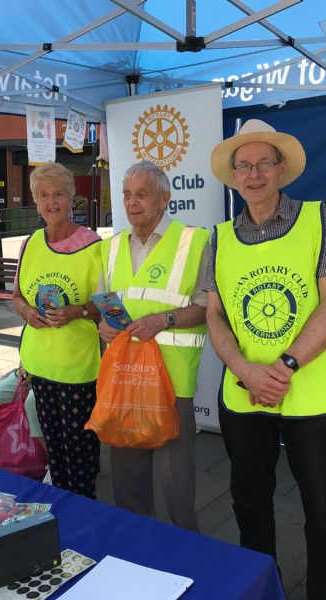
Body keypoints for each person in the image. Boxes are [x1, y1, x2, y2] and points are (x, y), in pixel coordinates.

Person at [206, 119, 326, 598]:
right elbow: (215, 317)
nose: (253, 174)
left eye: (262, 163)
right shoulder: (219, 237)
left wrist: (284, 367)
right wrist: (247, 372)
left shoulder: (320, 218)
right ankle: (262, 590)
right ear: (233, 175)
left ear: (281, 168)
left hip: (307, 392)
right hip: (244, 396)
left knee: (325, 511)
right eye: (243, 166)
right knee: (250, 505)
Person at [97, 160, 208, 531]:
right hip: (125, 375)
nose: (131, 203)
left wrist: (165, 320)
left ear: (164, 199)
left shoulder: (195, 241)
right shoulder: (111, 247)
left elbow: (208, 306)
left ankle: (186, 552)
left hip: (173, 378)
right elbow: (107, 300)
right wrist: (104, 325)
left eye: (141, 195)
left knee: (177, 481)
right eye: (127, 195)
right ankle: (138, 551)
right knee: (127, 480)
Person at [12, 162, 102, 498]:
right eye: (43, 195)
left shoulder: (95, 247)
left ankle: (86, 515)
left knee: (81, 454)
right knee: (55, 449)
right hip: (39, 363)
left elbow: (108, 306)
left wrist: (77, 312)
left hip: (77, 367)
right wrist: (28, 312)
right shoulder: (31, 242)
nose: (52, 202)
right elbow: (17, 296)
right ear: (35, 201)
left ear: (72, 197)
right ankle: (65, 512)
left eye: (58, 194)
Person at [0, 364, 42, 439]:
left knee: (30, 403)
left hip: (47, 377)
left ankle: (47, 448)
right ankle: (1, 446)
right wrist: (23, 370)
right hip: (25, 374)